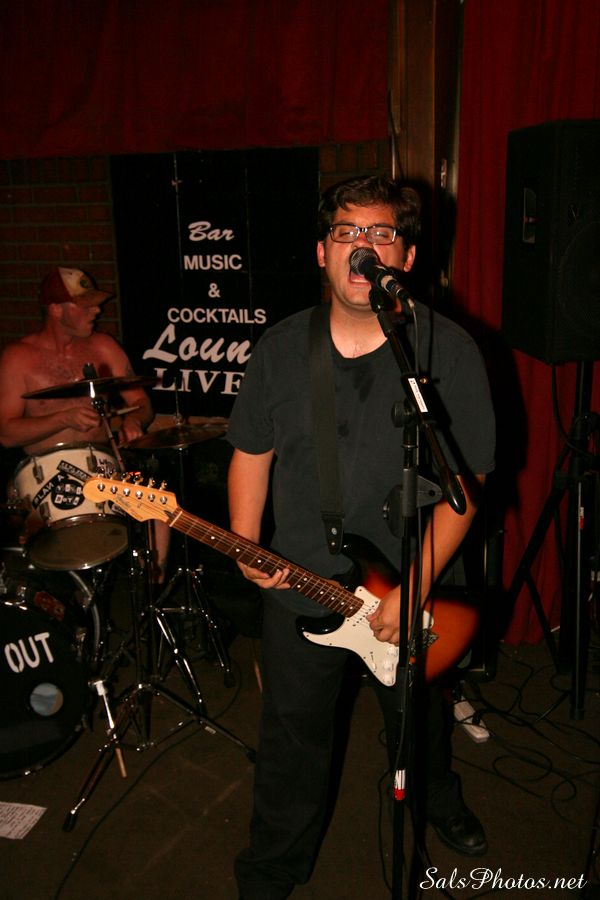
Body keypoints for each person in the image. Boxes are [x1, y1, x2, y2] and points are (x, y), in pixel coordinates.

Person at [226, 175, 496, 899]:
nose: (362, 246)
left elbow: (466, 488)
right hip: (300, 582)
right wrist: (247, 541)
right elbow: (251, 449)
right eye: (347, 232)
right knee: (290, 741)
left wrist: (414, 590)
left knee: (419, 726)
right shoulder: (282, 348)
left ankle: (438, 801)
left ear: (404, 257)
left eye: (381, 234)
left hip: (414, 583)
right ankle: (270, 871)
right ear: (322, 251)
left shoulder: (446, 351)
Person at [0, 266, 164, 574]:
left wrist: (135, 421)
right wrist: (64, 418)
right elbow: (6, 434)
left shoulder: (104, 346)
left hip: (104, 466)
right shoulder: (18, 358)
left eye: (96, 304)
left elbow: (141, 403)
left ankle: (152, 585)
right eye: (86, 306)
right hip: (44, 477)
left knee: (158, 502)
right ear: (56, 309)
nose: (97, 311)